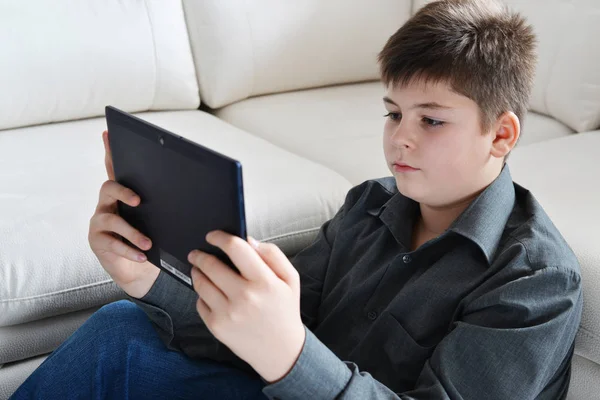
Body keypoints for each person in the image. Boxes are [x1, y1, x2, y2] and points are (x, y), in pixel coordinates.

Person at [11, 0, 582, 399]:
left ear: (501, 135)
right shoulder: (369, 206)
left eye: (431, 120)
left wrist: (287, 352)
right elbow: (260, 334)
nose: (400, 137)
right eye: (393, 113)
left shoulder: (534, 281)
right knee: (122, 326)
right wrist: (148, 279)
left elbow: (283, 349)